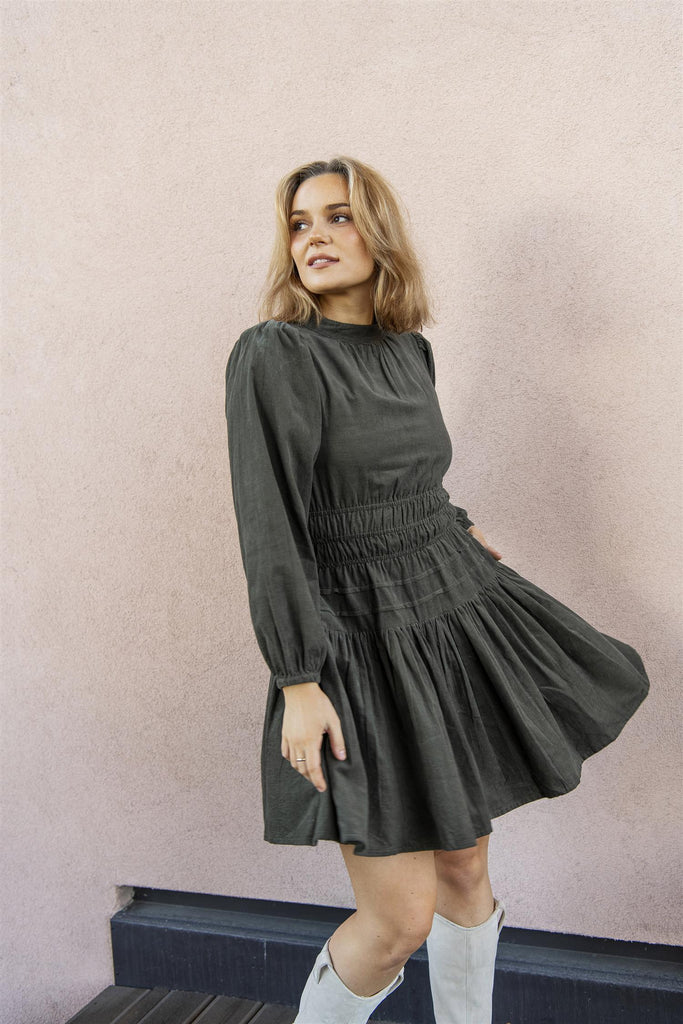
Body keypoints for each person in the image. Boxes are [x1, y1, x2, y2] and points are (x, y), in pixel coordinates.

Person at [223, 155, 650, 1024]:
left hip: (445, 612)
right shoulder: (276, 354)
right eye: (299, 224)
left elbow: (403, 474)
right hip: (352, 641)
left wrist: (451, 523)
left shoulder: (406, 350)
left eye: (337, 217)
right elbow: (271, 529)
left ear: (378, 233)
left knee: (464, 868)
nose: (313, 238)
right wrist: (297, 679)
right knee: (397, 921)